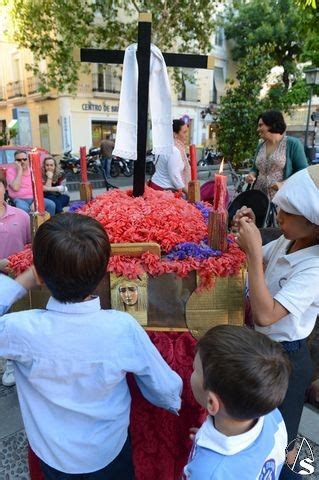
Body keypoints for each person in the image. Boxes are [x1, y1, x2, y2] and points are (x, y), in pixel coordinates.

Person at [0, 213, 182, 480]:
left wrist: (24, 280)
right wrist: (170, 401)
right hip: (107, 451)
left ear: (41, 274)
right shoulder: (122, 327)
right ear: (102, 273)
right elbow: (165, 388)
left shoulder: (21, 329)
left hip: (53, 454)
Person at [235, 164, 319, 479]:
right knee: (262, 430)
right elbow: (255, 259)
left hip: (288, 359)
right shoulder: (288, 241)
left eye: (289, 211)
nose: (279, 214)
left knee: (282, 442)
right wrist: (250, 234)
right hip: (267, 350)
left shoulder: (314, 267)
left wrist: (254, 253)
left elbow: (266, 314)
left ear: (314, 225)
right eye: (280, 206)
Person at [184, 325, 290, 479]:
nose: (192, 372)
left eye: (195, 369)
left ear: (212, 403)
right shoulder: (271, 414)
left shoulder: (209, 473)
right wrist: (205, 437)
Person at [0, 173, 31, 387]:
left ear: (4, 188)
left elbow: (30, 245)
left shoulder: (21, 216)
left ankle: (18, 361)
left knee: (19, 320)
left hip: (20, 279)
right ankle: (8, 361)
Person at [246, 110, 308, 200]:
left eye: (260, 125)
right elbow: (254, 169)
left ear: (271, 124)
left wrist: (283, 184)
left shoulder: (293, 144)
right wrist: (251, 175)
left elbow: (303, 172)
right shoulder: (261, 145)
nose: (257, 129)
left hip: (281, 198)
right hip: (258, 196)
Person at [6, 151, 56, 217]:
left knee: (51, 204)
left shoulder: (33, 170)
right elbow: (16, 188)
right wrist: (20, 170)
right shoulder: (10, 171)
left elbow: (38, 188)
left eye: (24, 159)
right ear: (15, 161)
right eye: (19, 160)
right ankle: (29, 227)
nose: (22, 161)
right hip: (19, 199)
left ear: (28, 159)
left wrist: (36, 201)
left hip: (34, 198)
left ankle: (48, 226)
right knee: (24, 209)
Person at [149, 119, 191, 194]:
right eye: (184, 132)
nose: (187, 135)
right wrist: (187, 192)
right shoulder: (174, 150)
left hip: (155, 185)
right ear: (175, 134)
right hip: (164, 190)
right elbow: (174, 176)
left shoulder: (163, 146)